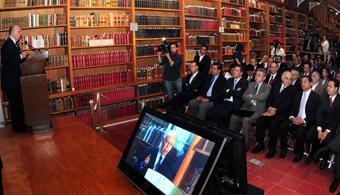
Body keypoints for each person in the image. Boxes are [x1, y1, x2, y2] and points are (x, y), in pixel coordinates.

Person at [251, 71, 297, 158]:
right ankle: (260, 143)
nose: (288, 80)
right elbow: (269, 98)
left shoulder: (293, 89)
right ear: (282, 78)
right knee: (260, 120)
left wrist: (275, 110)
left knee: (273, 124)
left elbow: (287, 104)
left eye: (290, 79)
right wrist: (269, 108)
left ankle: (272, 148)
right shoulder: (276, 84)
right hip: (270, 111)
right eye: (286, 78)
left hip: (282, 114)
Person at [278, 76, 320, 162]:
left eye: (305, 82)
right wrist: (292, 118)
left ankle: (298, 153)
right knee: (282, 126)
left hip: (306, 122)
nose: (302, 84)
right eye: (301, 82)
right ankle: (284, 148)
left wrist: (303, 120)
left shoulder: (316, 97)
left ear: (311, 83)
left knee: (300, 131)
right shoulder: (298, 94)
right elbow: (292, 109)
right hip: (295, 119)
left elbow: (316, 114)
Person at [1, 25, 32, 133]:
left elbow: (16, 62)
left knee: (18, 103)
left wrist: (25, 58)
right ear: (13, 32)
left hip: (15, 80)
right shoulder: (7, 44)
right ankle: (18, 128)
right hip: (11, 82)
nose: (20, 33)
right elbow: (8, 62)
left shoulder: (14, 44)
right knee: (15, 105)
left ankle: (21, 125)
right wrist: (21, 56)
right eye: (19, 31)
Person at [229, 69, 271, 150]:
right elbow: (244, 97)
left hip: (258, 109)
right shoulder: (250, 84)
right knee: (233, 117)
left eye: (259, 75)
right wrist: (255, 97)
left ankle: (244, 144)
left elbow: (263, 97)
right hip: (247, 107)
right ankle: (231, 139)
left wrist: (251, 95)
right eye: (256, 75)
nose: (256, 77)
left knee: (246, 120)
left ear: (264, 78)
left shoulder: (267, 86)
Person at [305, 79, 340, 168]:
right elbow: (319, 114)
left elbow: (337, 119)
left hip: (332, 127)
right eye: (327, 86)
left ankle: (324, 159)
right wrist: (319, 129)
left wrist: (326, 132)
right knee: (310, 135)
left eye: (330, 86)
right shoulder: (323, 97)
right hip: (321, 124)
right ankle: (311, 154)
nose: (328, 88)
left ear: (336, 88)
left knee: (329, 140)